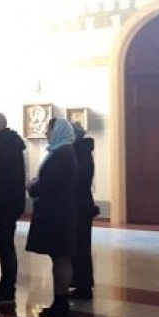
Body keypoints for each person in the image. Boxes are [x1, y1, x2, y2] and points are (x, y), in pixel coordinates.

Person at [26, 118, 79, 317]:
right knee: (59, 256)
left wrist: (33, 187)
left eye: (49, 129)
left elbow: (50, 185)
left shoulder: (61, 156)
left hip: (58, 213)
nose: (46, 133)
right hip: (59, 211)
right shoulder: (61, 153)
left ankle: (61, 302)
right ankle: (60, 300)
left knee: (60, 256)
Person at [0, 112, 27, 305]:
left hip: (5, 202)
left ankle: (7, 288)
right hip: (10, 201)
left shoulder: (4, 145)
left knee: (5, 246)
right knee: (5, 245)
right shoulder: (10, 142)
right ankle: (5, 286)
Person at [69, 122, 100, 300]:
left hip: (79, 206)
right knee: (79, 246)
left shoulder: (78, 153)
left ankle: (83, 286)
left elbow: (76, 181)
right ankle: (80, 284)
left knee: (80, 247)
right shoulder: (82, 151)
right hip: (82, 204)